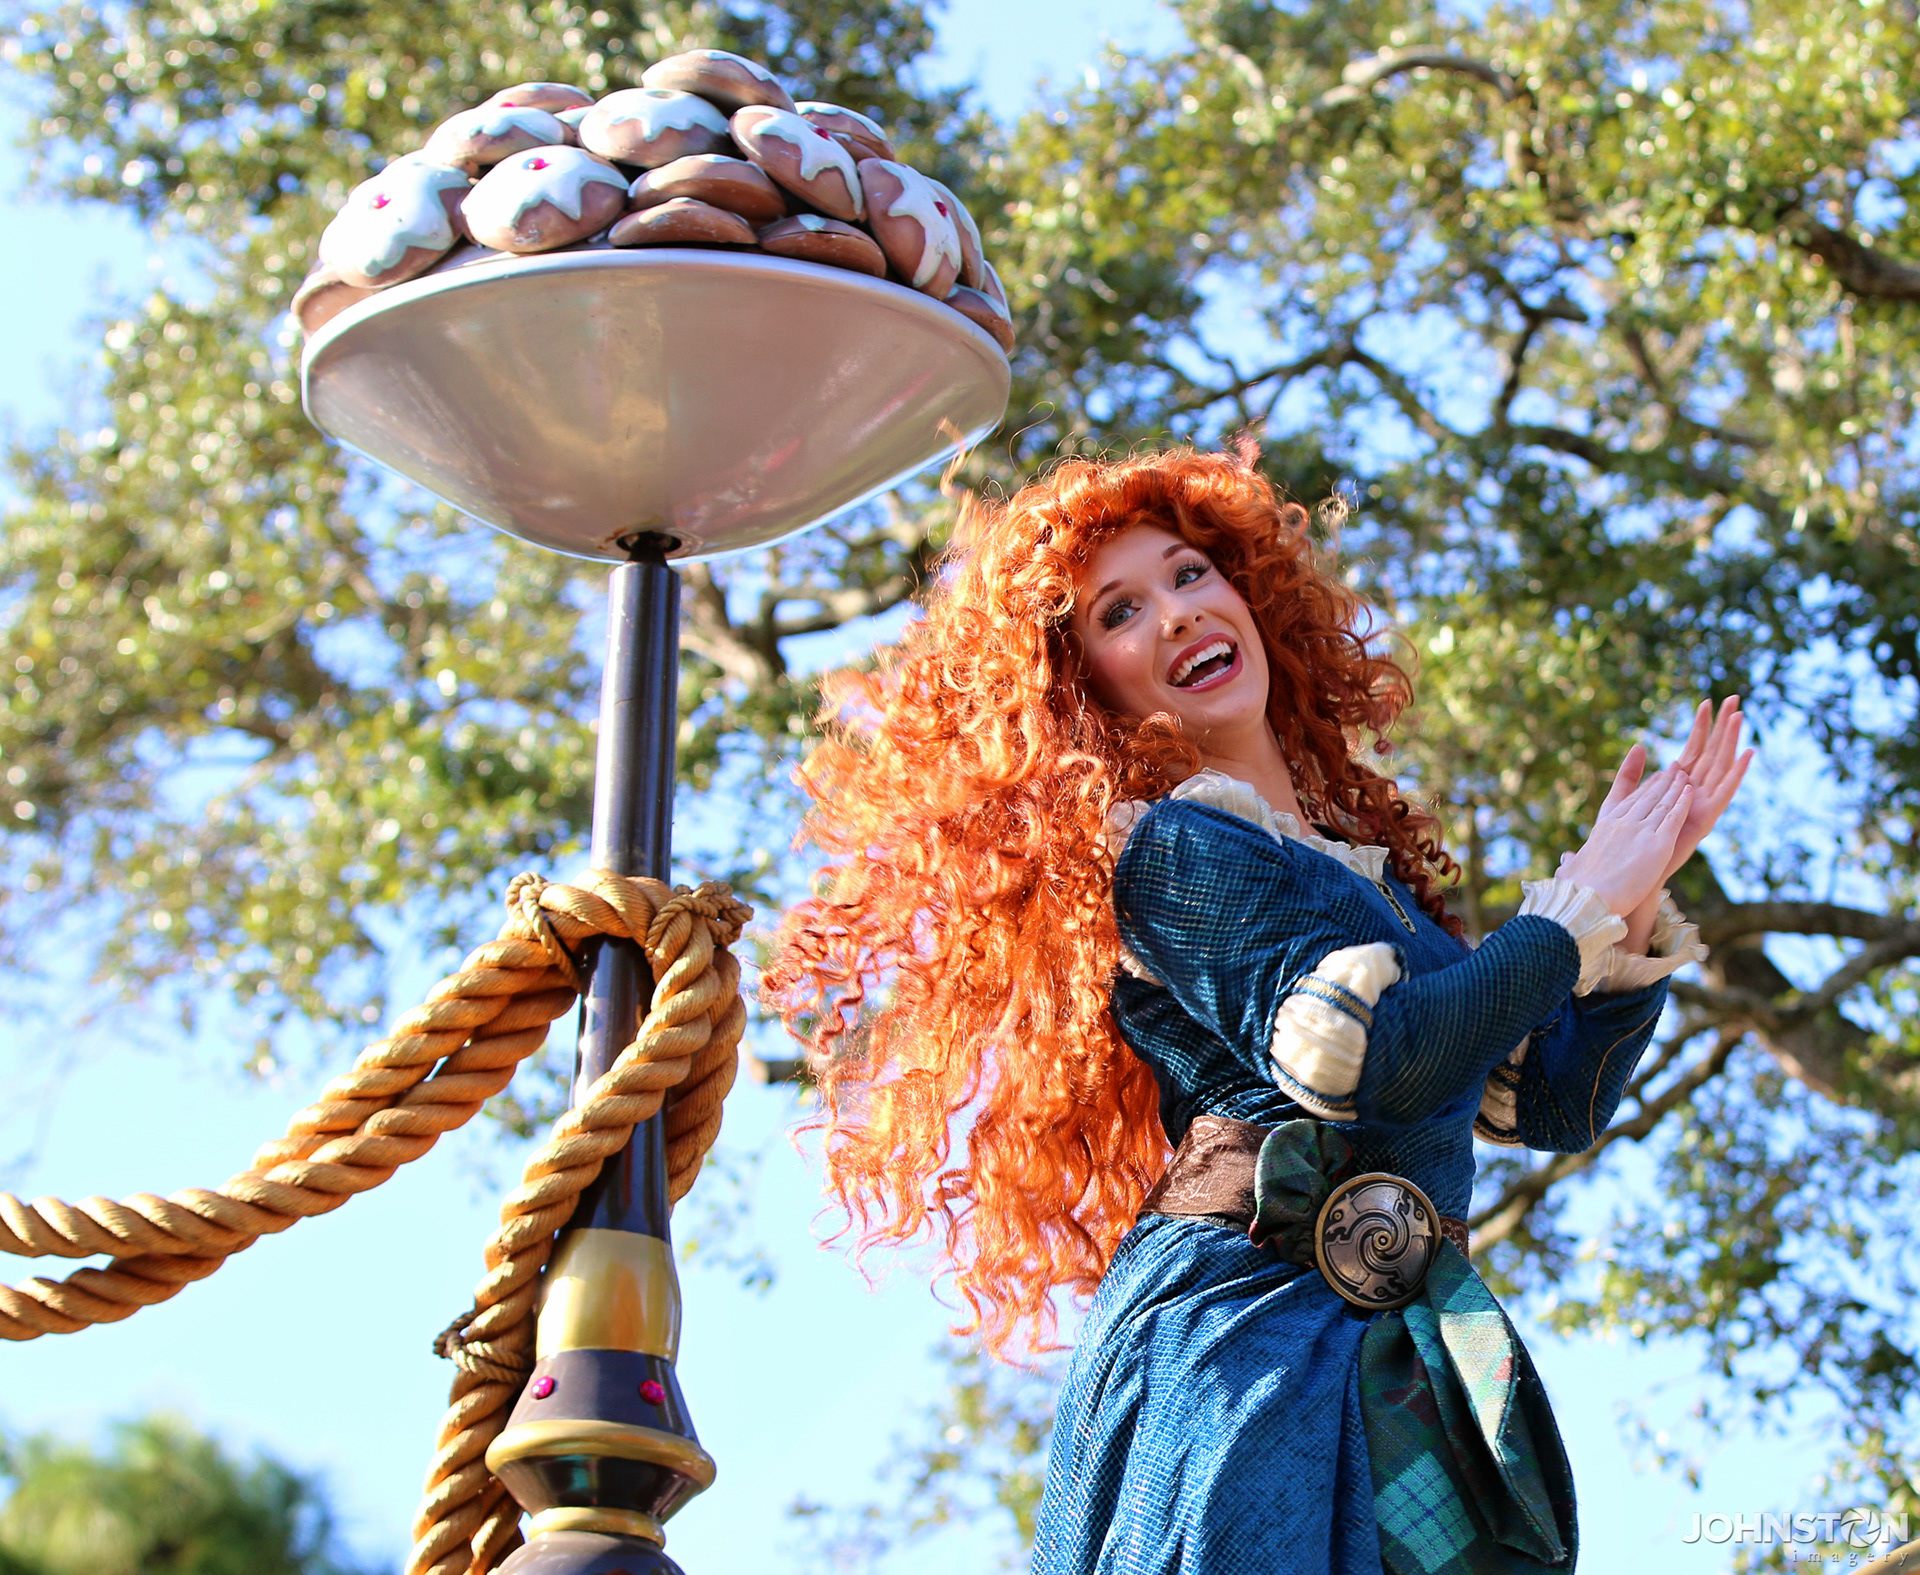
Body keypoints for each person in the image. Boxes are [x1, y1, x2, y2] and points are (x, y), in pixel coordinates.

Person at [763, 445, 1750, 1574]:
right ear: (1086, 687)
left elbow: (1549, 1103)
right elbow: (1377, 1063)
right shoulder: (1172, 851)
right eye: (1120, 612)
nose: (1177, 615)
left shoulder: (1365, 884)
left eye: (1190, 576)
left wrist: (1631, 891)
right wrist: (1576, 909)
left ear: (1250, 599)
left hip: (1403, 1353)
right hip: (1245, 1351)